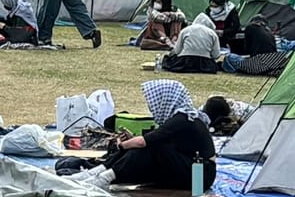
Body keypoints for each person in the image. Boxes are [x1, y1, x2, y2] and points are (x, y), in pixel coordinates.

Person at [80, 79, 216, 191]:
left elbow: (144, 142)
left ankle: (105, 177)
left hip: (199, 180)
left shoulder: (183, 119)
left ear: (165, 99)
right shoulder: (183, 116)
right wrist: (131, 142)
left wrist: (123, 145)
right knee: (146, 146)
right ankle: (98, 172)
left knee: (151, 146)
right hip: (194, 171)